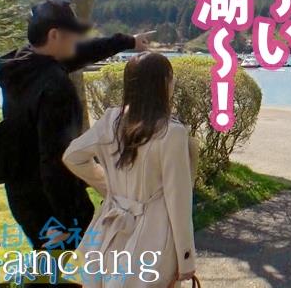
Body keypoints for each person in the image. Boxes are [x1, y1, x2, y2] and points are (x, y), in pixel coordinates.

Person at [0, 0, 151, 263]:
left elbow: (81, 53)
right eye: (72, 34)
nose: (77, 41)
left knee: (46, 261)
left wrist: (128, 41)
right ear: (54, 35)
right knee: (55, 262)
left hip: (20, 189)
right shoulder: (55, 86)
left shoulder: (20, 64)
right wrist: (70, 215)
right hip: (47, 199)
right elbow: (55, 159)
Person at [63, 52, 198, 287]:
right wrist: (186, 259)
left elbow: (73, 156)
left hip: (110, 227)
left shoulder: (111, 120)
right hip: (154, 236)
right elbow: (179, 201)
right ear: (163, 83)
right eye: (170, 78)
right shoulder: (171, 132)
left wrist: (109, 187)